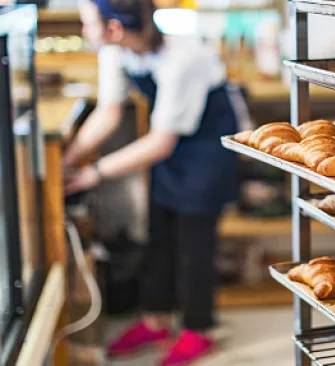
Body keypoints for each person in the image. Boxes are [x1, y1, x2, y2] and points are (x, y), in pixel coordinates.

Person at [65, 0, 240, 364]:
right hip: (171, 146)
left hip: (209, 148)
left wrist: (92, 175)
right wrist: (66, 162)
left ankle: (198, 329)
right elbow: (108, 111)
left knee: (195, 247)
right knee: (159, 237)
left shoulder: (184, 58)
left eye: (87, 23)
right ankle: (156, 320)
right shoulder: (115, 50)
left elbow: (160, 142)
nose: (84, 32)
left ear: (113, 28)